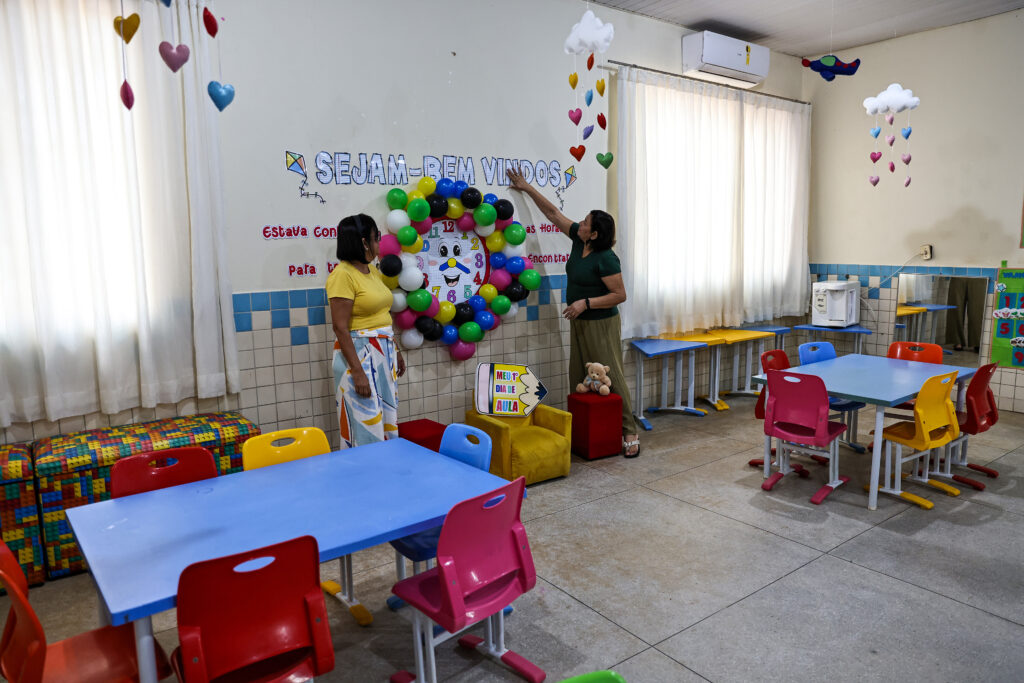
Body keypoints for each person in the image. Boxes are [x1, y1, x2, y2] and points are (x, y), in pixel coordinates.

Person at [506, 167, 641, 457]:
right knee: (579, 376)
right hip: (579, 321)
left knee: (611, 376)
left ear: (593, 234)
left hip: (601, 324)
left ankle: (629, 430)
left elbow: (620, 295)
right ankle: (583, 430)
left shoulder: (607, 259)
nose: (579, 223)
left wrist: (586, 303)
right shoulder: (580, 241)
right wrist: (526, 187)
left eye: (585, 223)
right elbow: (553, 213)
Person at [327, 213, 406, 449]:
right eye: (376, 237)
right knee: (365, 425)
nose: (378, 243)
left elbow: (381, 315)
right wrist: (358, 371)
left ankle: (384, 477)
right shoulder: (342, 275)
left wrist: (396, 349)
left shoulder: (371, 271)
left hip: (383, 352)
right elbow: (340, 327)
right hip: (359, 356)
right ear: (363, 242)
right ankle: (363, 481)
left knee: (386, 422)